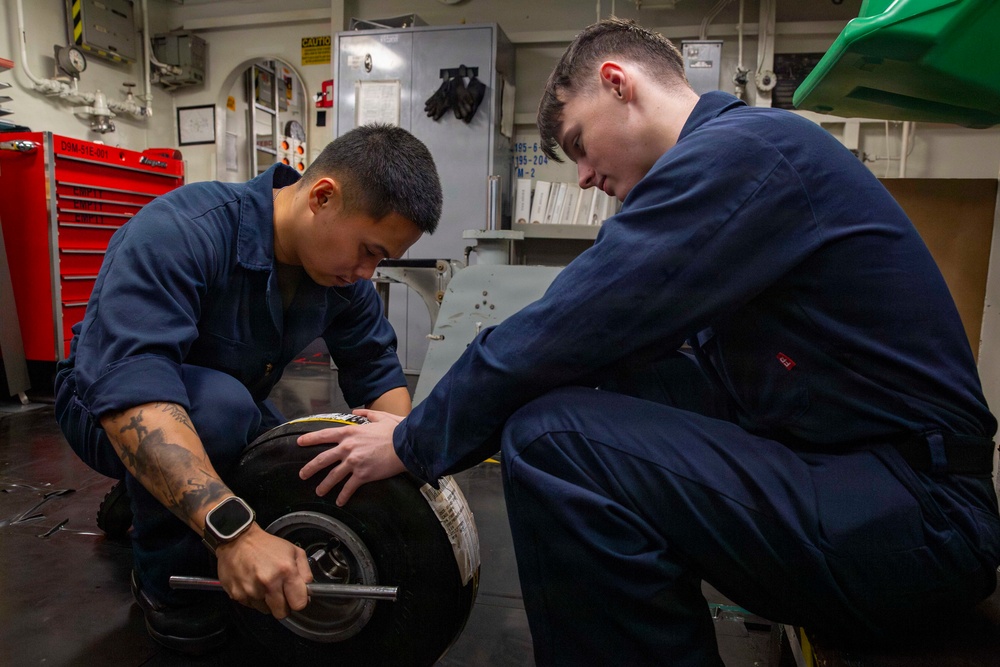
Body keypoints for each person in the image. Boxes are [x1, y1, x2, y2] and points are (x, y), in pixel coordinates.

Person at [297, 18, 1000, 666]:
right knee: (572, 393)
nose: (582, 176)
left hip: (919, 517)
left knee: (553, 441)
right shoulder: (747, 155)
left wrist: (414, 441)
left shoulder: (745, 154)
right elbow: (601, 348)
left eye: (578, 143)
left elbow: (574, 320)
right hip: (861, 476)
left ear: (617, 83)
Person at [54, 123, 442, 654]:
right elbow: (131, 394)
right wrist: (235, 535)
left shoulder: (341, 276)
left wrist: (401, 460)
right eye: (367, 250)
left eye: (381, 260)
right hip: (106, 406)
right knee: (221, 413)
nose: (367, 271)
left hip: (213, 401)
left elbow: (378, 378)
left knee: (295, 455)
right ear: (322, 197)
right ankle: (165, 583)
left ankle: (152, 492)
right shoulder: (180, 230)